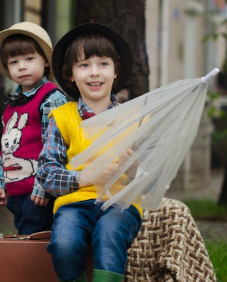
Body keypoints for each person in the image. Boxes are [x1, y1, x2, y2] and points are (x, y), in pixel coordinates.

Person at [33, 23, 142, 282]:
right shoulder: (62, 118)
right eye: (84, 65)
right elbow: (47, 172)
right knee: (65, 244)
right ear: (70, 74)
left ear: (116, 71)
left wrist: (135, 167)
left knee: (110, 233)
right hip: (74, 204)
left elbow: (150, 174)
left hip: (120, 203)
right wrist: (87, 177)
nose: (94, 73)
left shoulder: (132, 118)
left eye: (103, 64)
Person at [0, 22, 67, 235]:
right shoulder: (12, 104)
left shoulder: (50, 97)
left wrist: (43, 187)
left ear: (46, 62)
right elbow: (6, 149)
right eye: (14, 62)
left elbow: (55, 147)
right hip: (16, 192)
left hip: (39, 194)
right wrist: (0, 182)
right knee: (25, 237)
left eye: (29, 59)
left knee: (35, 240)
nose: (22, 66)